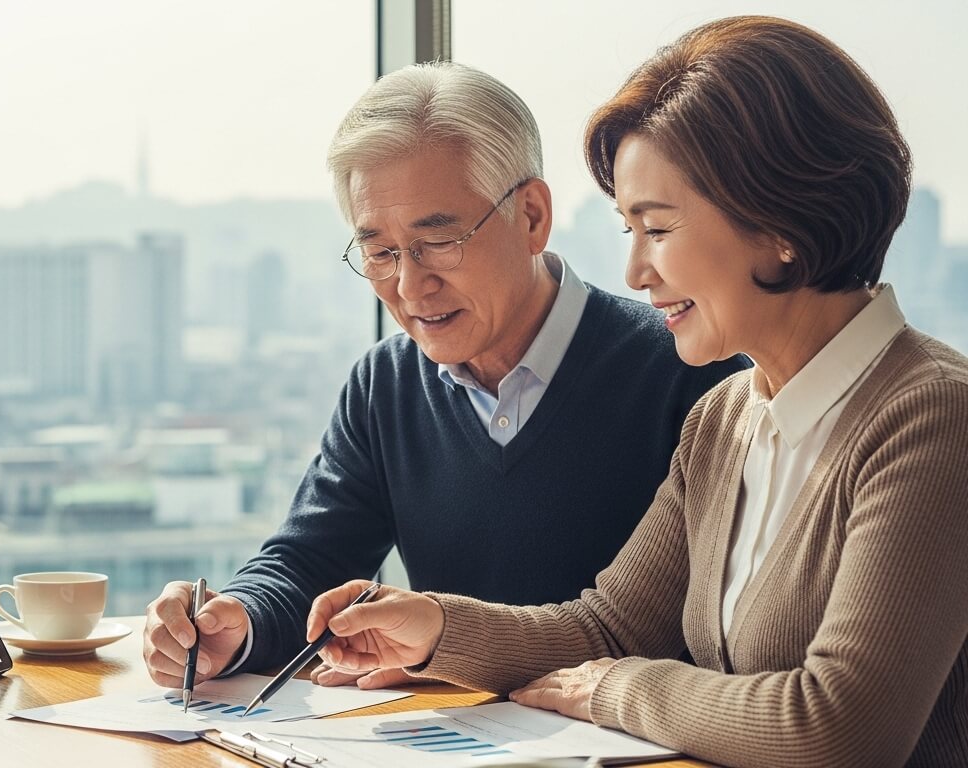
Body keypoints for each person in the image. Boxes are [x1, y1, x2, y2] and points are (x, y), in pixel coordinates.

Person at [305, 16, 968, 767]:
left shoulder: (934, 416)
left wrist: (618, 690)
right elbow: (609, 628)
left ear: (778, 219)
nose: (635, 274)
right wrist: (435, 628)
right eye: (629, 231)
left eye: (656, 228)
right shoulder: (728, 417)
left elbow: (839, 728)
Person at [142, 62, 747, 691]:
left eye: (439, 240)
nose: (408, 286)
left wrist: (454, 651)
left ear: (532, 216)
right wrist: (235, 621)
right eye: (380, 252)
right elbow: (311, 560)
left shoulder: (692, 374)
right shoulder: (386, 384)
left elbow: (679, 635)